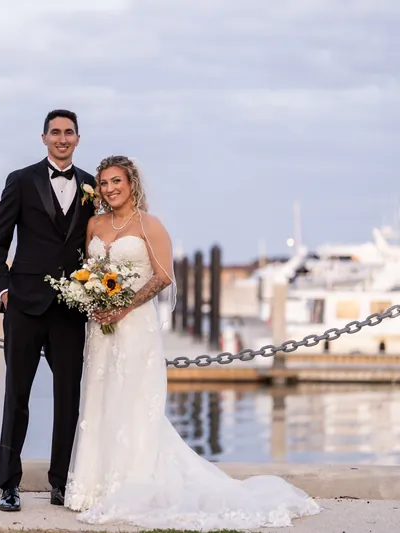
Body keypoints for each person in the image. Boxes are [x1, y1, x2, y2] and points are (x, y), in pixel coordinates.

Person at [63, 155, 322, 529]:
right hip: (101, 328)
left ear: (131, 183)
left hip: (134, 325)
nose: (109, 189)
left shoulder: (149, 225)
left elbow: (163, 275)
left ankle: (133, 483)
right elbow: (87, 270)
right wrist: (91, 299)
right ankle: (91, 487)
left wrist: (123, 307)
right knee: (99, 399)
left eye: (116, 181)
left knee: (133, 401)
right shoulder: (94, 224)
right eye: (103, 183)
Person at [0, 109, 96, 512]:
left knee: (68, 398)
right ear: (44, 137)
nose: (62, 139)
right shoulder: (20, 180)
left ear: (78, 139)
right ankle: (7, 484)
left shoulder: (91, 186)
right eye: (55, 133)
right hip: (25, 307)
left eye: (69, 133)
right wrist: (3, 289)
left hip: (70, 309)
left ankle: (61, 482)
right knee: (17, 395)